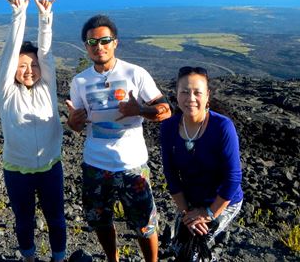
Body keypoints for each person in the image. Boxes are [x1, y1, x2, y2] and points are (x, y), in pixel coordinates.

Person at [66, 14, 171, 262]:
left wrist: (141, 111)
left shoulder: (136, 73)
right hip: (95, 164)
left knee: (145, 223)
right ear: (86, 46)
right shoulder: (79, 81)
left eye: (105, 40)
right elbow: (77, 125)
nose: (99, 46)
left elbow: (166, 111)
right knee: (100, 221)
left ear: (115, 42)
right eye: (93, 42)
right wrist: (73, 123)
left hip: (131, 164)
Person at [0, 0, 66, 262]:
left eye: (33, 65)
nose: (29, 70)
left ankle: (59, 258)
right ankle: (28, 258)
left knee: (57, 219)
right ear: (12, 70)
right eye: (22, 66)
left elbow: (46, 56)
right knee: (24, 220)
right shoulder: (6, 92)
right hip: (17, 169)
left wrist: (45, 19)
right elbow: (9, 53)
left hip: (50, 166)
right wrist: (19, 15)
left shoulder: (47, 88)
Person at [160, 66, 243, 261]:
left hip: (221, 201)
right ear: (176, 95)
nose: (191, 98)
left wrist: (208, 214)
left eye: (197, 92)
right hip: (189, 200)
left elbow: (233, 178)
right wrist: (186, 212)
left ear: (207, 95)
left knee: (194, 252)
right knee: (178, 246)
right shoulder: (168, 127)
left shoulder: (222, 127)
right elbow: (170, 174)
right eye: (185, 92)